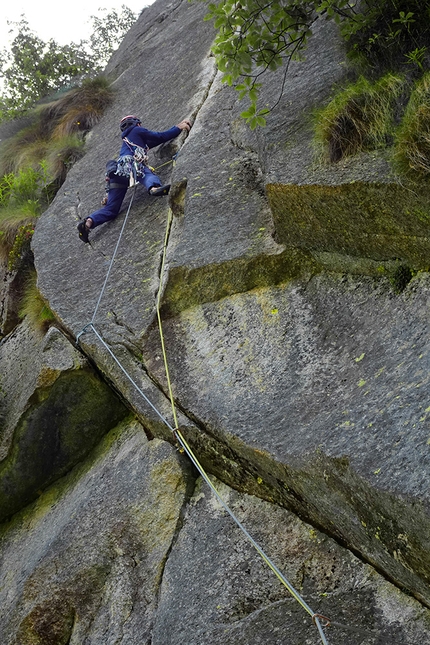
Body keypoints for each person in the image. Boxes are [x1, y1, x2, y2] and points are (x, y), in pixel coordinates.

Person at [77, 115, 191, 243]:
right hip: (130, 164)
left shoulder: (129, 140)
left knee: (111, 210)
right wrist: (178, 127)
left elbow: (156, 141)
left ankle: (88, 223)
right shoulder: (136, 131)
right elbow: (159, 136)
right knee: (146, 174)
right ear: (137, 124)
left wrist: (108, 193)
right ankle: (154, 188)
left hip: (118, 173)